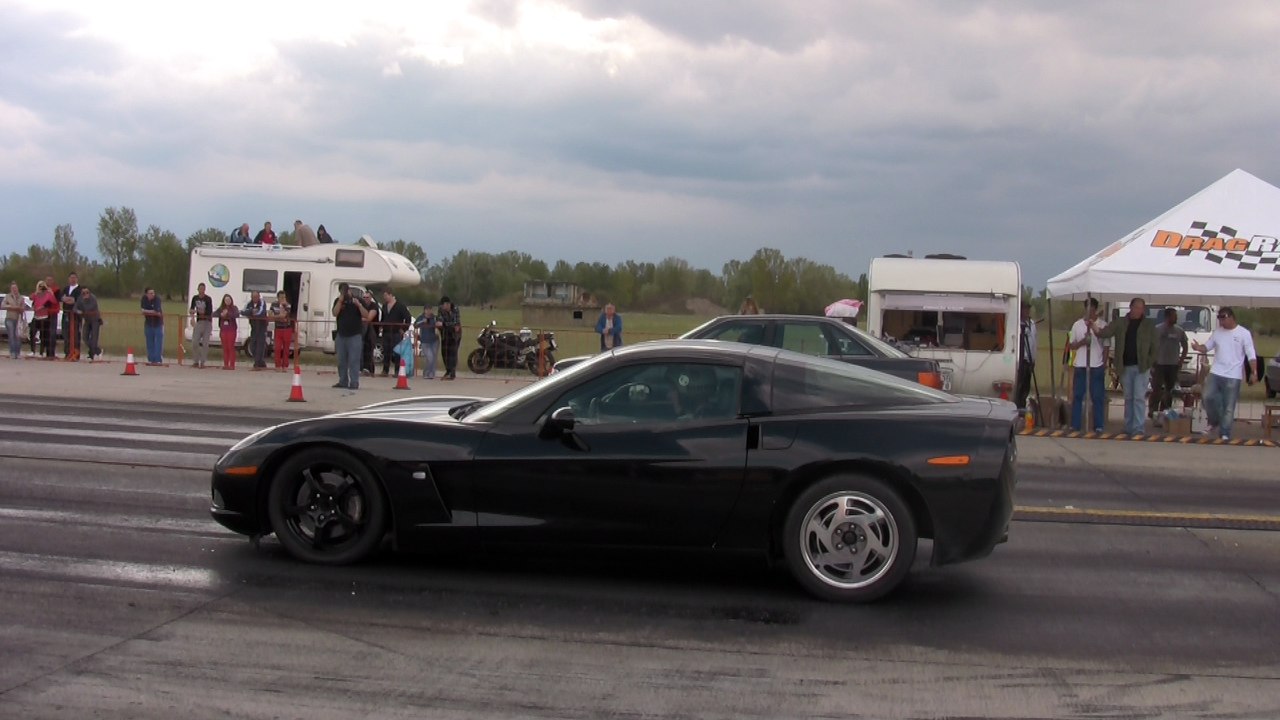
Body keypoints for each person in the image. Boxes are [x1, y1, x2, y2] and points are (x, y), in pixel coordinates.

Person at [1092, 297, 1158, 436]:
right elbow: (1106, 332)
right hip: (1125, 366)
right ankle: (1128, 427)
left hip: (1142, 366)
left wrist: (1150, 361)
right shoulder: (1120, 322)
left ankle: (1138, 428)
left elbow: (1155, 345)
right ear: (1130, 307)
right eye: (1136, 307)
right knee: (1128, 398)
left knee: (1139, 397)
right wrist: (1094, 328)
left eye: (1141, 308)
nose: (1138, 310)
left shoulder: (1149, 325)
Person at [1191, 307, 1256, 441]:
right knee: (1207, 396)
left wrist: (1253, 372)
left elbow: (1251, 354)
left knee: (1229, 406)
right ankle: (1214, 421)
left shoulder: (1243, 333)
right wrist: (1198, 348)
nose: (1221, 322)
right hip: (1216, 372)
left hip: (1233, 375)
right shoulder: (1218, 333)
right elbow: (1207, 346)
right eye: (1219, 318)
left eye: (1223, 318)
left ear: (1231, 317)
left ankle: (1225, 432)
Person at [1068, 298, 1107, 433]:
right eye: (1087, 309)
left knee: (1097, 397)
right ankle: (1076, 424)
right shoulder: (1077, 325)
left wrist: (1104, 364)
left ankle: (1098, 425)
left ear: (1095, 309)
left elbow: (1106, 345)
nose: (1089, 312)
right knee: (1078, 395)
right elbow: (1071, 345)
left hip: (1096, 365)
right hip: (1081, 364)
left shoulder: (1102, 325)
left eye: (1092, 309)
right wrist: (1082, 342)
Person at [1151, 307, 1188, 425]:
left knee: (1170, 390)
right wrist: (1152, 361)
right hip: (1159, 364)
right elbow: (1150, 346)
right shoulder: (1157, 329)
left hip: (1173, 365)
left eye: (1176, 316)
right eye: (1174, 316)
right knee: (1157, 389)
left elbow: (1185, 345)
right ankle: (1153, 412)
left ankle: (1165, 412)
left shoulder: (1179, 331)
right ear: (1167, 317)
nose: (1176, 318)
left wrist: (1181, 359)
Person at [333, 282, 370, 390]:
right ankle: (343, 381)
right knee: (341, 360)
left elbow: (366, 315)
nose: (344, 293)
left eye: (345, 291)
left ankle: (354, 382)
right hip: (341, 335)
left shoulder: (358, 301)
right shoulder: (338, 301)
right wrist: (340, 301)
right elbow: (335, 313)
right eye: (342, 291)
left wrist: (359, 305)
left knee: (354, 360)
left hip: (355, 335)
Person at [379, 289, 412, 376]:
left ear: (391, 295)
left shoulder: (400, 306)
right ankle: (385, 370)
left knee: (397, 352)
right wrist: (381, 326)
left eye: (386, 296)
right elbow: (383, 317)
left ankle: (397, 371)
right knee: (386, 351)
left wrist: (404, 329)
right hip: (386, 332)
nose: (384, 298)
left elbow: (408, 317)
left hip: (396, 332)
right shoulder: (384, 306)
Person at [1014, 301, 1037, 411]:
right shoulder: (1017, 323)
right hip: (1021, 359)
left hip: (1030, 359)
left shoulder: (1032, 323)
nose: (1027, 311)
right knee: (1020, 385)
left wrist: (1034, 359)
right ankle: (1017, 406)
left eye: (1028, 309)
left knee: (1026, 386)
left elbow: (1034, 342)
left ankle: (1022, 406)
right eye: (1025, 309)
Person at [189, 282, 214, 369]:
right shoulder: (195, 298)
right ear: (198, 289)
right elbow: (191, 309)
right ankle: (196, 360)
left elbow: (208, 312)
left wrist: (197, 312)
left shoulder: (208, 299)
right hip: (199, 322)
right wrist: (192, 318)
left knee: (205, 343)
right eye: (200, 289)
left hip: (207, 322)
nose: (201, 290)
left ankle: (203, 362)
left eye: (203, 289)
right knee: (195, 342)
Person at [74, 286, 103, 360]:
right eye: (83, 293)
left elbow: (90, 307)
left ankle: (93, 353)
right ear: (81, 293)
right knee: (84, 337)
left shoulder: (93, 298)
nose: (86, 294)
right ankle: (97, 351)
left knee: (94, 338)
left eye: (87, 292)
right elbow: (75, 308)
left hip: (95, 320)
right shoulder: (80, 298)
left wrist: (82, 310)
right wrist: (78, 311)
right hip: (87, 320)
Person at [30, 280, 57, 358]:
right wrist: (36, 292)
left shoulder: (48, 294)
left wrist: (51, 292)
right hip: (36, 317)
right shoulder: (36, 294)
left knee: (43, 335)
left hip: (44, 317)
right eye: (40, 286)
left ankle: (41, 352)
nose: (41, 288)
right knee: (32, 333)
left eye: (42, 286)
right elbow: (30, 297)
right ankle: (32, 351)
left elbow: (54, 301)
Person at [437, 295, 461, 380]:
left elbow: (456, 324)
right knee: (444, 353)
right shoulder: (441, 309)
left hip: (455, 334)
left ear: (447, 304)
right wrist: (444, 324)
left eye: (443, 305)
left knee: (453, 353)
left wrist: (444, 324)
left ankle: (452, 373)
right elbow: (439, 321)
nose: (442, 307)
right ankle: (448, 370)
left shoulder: (455, 309)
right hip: (445, 334)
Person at [243, 290, 269, 370]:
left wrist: (253, 313)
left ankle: (257, 364)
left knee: (260, 346)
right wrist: (251, 311)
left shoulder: (262, 302)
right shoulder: (249, 303)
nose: (255, 298)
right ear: (251, 297)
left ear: (259, 296)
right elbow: (243, 311)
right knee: (252, 346)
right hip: (254, 327)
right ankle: (261, 362)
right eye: (253, 297)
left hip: (262, 327)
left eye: (256, 296)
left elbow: (261, 312)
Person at [60, 272, 82, 359]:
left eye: (74, 278)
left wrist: (68, 299)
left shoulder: (80, 289)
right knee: (66, 334)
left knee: (75, 334)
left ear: (77, 279)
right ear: (68, 279)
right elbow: (62, 298)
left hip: (75, 315)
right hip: (66, 314)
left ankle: (75, 354)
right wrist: (67, 299)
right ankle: (67, 353)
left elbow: (74, 300)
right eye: (71, 277)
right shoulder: (66, 288)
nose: (72, 279)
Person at [140, 286, 164, 365]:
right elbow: (142, 311)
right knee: (149, 342)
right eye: (150, 293)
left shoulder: (157, 299)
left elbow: (157, 311)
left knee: (158, 342)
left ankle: (157, 359)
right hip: (148, 323)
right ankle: (151, 359)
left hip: (158, 323)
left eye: (153, 293)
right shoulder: (144, 299)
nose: (152, 294)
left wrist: (147, 311)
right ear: (146, 294)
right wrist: (152, 312)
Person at [270, 290, 294, 370]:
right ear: (278, 298)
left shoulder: (288, 305)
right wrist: (278, 317)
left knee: (286, 349)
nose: (283, 299)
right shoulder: (273, 305)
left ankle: (285, 366)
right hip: (278, 329)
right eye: (281, 297)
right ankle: (277, 365)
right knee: (277, 348)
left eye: (284, 297)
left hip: (287, 329)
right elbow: (270, 316)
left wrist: (277, 316)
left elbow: (284, 315)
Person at [216, 294, 240, 370]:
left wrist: (228, 314)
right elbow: (214, 314)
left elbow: (236, 315)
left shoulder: (234, 308)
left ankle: (232, 365)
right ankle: (226, 364)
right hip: (223, 330)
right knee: (225, 347)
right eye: (226, 300)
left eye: (229, 300)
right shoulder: (221, 308)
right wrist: (220, 314)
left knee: (230, 346)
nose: (228, 301)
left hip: (231, 330)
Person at [359, 289, 380, 376]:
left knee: (369, 350)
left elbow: (369, 318)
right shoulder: (361, 305)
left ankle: (370, 370)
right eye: (364, 297)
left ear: (371, 297)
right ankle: (362, 368)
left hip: (372, 332)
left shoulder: (374, 306)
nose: (365, 299)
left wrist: (358, 319)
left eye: (367, 297)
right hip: (362, 331)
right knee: (361, 349)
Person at [414, 304, 438, 379]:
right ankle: (426, 372)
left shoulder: (434, 318)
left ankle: (431, 373)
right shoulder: (421, 317)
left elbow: (439, 325)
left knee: (433, 358)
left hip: (434, 341)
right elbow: (415, 325)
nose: (428, 311)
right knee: (430, 357)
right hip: (425, 341)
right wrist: (422, 322)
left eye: (430, 309)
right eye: (427, 310)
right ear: (424, 310)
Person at [2, 281, 23, 359]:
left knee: (18, 336)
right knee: (11, 336)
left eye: (15, 288)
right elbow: (3, 305)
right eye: (13, 288)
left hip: (18, 319)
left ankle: (18, 352)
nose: (14, 289)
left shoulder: (21, 297)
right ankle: (12, 352)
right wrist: (12, 307)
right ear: (11, 289)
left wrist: (20, 308)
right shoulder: (7, 296)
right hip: (9, 319)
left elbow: (23, 308)